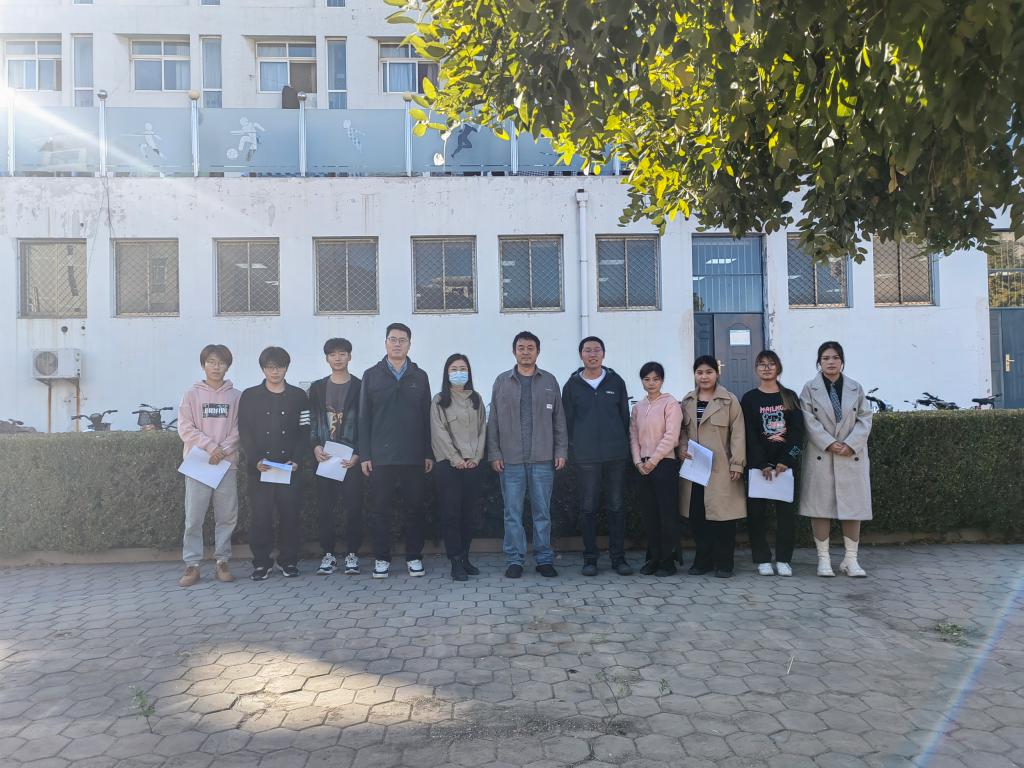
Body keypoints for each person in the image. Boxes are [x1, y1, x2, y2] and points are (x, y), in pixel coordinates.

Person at [486, 331, 568, 579]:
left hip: (542, 458)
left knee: (542, 512)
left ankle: (544, 559)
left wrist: (561, 450)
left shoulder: (549, 381)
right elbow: (493, 421)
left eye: (530, 348)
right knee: (512, 513)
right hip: (510, 459)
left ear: (537, 352)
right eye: (521, 348)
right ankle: (515, 560)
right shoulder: (502, 382)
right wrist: (494, 453)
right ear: (514, 352)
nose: (525, 352)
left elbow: (559, 420)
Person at [358, 323, 432, 579]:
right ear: (385, 343)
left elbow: (427, 417)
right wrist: (365, 454)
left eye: (403, 340)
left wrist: (428, 453)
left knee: (415, 509)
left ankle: (414, 557)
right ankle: (381, 558)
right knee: (380, 510)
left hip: (413, 456)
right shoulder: (371, 375)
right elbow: (364, 418)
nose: (397, 344)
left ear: (410, 344)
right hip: (381, 457)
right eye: (393, 339)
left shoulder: (419, 376)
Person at [799, 341, 872, 577]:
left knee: (853, 507)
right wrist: (828, 442)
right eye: (825, 358)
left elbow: (865, 418)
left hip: (851, 455)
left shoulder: (855, 388)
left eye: (835, 357)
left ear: (842, 361)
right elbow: (807, 419)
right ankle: (824, 560)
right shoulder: (809, 389)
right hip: (822, 454)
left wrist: (851, 444)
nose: (831, 362)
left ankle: (851, 559)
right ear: (819, 362)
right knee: (820, 508)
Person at [562, 336, 633, 576]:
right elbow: (567, 421)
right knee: (588, 507)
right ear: (581, 355)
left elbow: (624, 417)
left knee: (616, 506)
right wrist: (575, 448)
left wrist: (621, 444)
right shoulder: (572, 386)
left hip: (615, 455)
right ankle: (590, 559)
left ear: (603, 354)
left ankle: (618, 558)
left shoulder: (616, 382)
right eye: (587, 350)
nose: (592, 354)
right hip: (586, 457)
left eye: (596, 350)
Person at [238, 346, 310, 581]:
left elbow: (305, 431)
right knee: (261, 517)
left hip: (289, 468)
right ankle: (261, 563)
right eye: (270, 367)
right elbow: (244, 431)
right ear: (263, 368)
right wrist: (255, 459)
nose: (275, 371)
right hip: (261, 469)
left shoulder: (299, 396)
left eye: (280, 366)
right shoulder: (249, 396)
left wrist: (297, 459)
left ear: (287, 368)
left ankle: (289, 561)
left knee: (290, 516)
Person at [176, 344, 241, 587]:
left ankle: (222, 561)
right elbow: (185, 428)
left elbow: (239, 428)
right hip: (198, 464)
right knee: (194, 517)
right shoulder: (191, 395)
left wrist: (222, 450)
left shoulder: (236, 396)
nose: (216, 367)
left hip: (226, 465)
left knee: (227, 516)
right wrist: (211, 447)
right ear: (204, 364)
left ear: (227, 366)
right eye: (211, 362)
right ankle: (192, 564)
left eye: (221, 362)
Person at [679, 356, 746, 578]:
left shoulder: (729, 401)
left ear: (717, 374)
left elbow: (738, 434)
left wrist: (737, 463)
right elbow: (682, 431)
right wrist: (681, 448)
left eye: (709, 372)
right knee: (698, 516)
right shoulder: (687, 401)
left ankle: (724, 563)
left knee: (723, 518)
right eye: (699, 372)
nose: (704, 376)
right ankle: (703, 561)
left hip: (721, 468)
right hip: (695, 468)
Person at [740, 350, 805, 577]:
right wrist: (761, 463)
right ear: (756, 369)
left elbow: (798, 433)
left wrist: (787, 460)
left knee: (786, 517)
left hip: (785, 469)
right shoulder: (749, 399)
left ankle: (784, 559)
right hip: (759, 469)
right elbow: (748, 434)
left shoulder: (790, 396)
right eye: (761, 364)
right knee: (756, 516)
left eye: (771, 364)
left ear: (778, 367)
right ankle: (762, 559)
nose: (766, 368)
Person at [309, 338, 364, 576]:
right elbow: (312, 420)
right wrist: (314, 447)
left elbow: (366, 422)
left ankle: (353, 554)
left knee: (354, 508)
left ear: (350, 356)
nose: (338, 358)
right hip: (326, 458)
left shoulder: (361, 386)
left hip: (350, 458)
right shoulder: (317, 388)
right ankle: (328, 554)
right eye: (333, 354)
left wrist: (359, 453)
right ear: (327, 358)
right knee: (325, 508)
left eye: (342, 353)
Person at [430, 353, 487, 581]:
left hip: (473, 464)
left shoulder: (476, 399)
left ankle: (465, 557)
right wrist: (456, 459)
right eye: (454, 369)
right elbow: (439, 433)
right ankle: (455, 560)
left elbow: (483, 430)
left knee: (470, 515)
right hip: (449, 465)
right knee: (451, 514)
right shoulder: (439, 400)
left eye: (463, 369)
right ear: (447, 373)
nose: (458, 373)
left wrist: (476, 457)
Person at [629, 362, 683, 577]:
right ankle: (653, 558)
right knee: (650, 515)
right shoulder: (638, 407)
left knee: (666, 514)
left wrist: (653, 460)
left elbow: (671, 436)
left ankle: (667, 561)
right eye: (647, 379)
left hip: (664, 464)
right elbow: (633, 437)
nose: (651, 383)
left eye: (655, 379)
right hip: (643, 467)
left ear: (662, 380)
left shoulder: (670, 403)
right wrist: (638, 462)